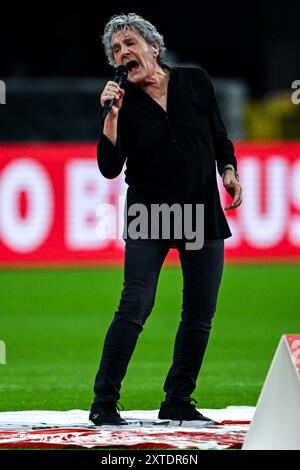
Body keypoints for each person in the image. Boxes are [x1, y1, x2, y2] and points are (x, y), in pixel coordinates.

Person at [89, 13, 243, 426]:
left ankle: (178, 399)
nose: (123, 53)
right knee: (135, 305)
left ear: (153, 47)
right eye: (116, 50)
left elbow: (218, 134)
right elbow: (107, 167)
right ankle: (104, 402)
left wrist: (228, 169)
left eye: (129, 43)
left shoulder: (195, 81)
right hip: (149, 211)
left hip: (200, 210)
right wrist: (110, 115)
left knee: (199, 312)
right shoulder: (120, 100)